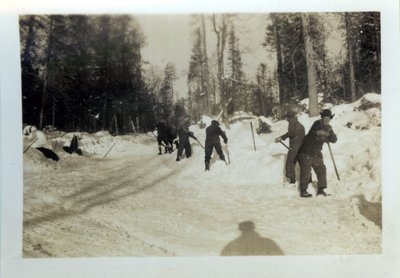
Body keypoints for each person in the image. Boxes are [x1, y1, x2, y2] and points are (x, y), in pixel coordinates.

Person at [297, 109, 337, 197]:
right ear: (322, 117)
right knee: (306, 171)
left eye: (328, 118)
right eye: (325, 118)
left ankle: (321, 190)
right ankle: (303, 190)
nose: (327, 120)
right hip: (306, 151)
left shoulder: (328, 127)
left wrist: (329, 133)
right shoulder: (317, 123)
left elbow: (334, 140)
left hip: (316, 152)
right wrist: (325, 134)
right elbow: (318, 132)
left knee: (322, 169)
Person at [274, 111, 305, 184]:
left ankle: (292, 180)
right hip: (302, 146)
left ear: (288, 117)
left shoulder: (292, 122)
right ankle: (308, 179)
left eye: (287, 117)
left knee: (290, 162)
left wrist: (281, 137)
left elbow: (291, 132)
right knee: (303, 163)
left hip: (295, 146)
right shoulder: (299, 124)